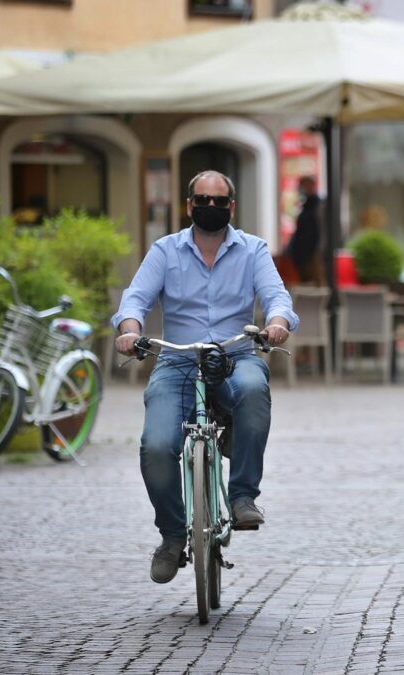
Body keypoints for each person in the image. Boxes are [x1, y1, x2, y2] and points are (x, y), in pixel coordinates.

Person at [113, 170, 297, 585]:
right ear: (188, 204)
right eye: (201, 199)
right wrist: (129, 330)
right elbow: (136, 298)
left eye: (218, 201)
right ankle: (173, 536)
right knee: (156, 446)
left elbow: (276, 296)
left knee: (253, 389)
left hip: (236, 354)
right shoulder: (165, 251)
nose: (209, 207)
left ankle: (243, 495)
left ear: (231, 206)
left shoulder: (253, 250)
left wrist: (278, 322)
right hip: (177, 361)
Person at [286, 175, 322, 284]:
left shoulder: (317, 206)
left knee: (313, 283)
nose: (301, 189)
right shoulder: (306, 206)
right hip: (302, 254)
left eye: (303, 185)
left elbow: (316, 231)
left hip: (312, 254)